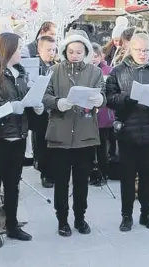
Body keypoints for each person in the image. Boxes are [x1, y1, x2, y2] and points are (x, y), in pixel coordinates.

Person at [0, 32, 44, 248]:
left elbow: (25, 102)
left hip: (18, 137)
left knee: (13, 185)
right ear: (7, 50)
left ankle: (12, 226)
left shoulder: (20, 75)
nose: (22, 51)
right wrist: (7, 108)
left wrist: (36, 107)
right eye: (18, 47)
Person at [106, 33, 149, 232]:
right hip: (127, 130)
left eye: (146, 50)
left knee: (147, 175)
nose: (143, 54)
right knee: (127, 177)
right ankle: (126, 216)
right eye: (138, 50)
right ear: (130, 50)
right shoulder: (118, 71)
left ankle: (147, 214)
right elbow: (109, 97)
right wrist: (127, 99)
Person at [42, 31, 105, 237]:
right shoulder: (54, 70)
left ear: (86, 52)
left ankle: (80, 217)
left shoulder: (94, 72)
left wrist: (100, 100)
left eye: (79, 51)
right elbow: (45, 96)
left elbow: (102, 93)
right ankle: (62, 219)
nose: (75, 55)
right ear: (64, 51)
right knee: (61, 181)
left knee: (81, 181)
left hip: (85, 135)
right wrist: (57, 102)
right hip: (59, 134)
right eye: (71, 51)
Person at [26, 35, 57, 188]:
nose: (52, 53)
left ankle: (51, 171)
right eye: (48, 49)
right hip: (39, 111)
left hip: (52, 109)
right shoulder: (33, 66)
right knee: (42, 143)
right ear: (39, 49)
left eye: (54, 49)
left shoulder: (55, 65)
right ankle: (46, 173)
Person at [91, 42, 116, 184]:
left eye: (97, 56)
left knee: (103, 146)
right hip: (90, 115)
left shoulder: (108, 70)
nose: (94, 59)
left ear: (101, 56)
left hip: (104, 115)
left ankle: (103, 171)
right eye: (91, 56)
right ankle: (91, 172)